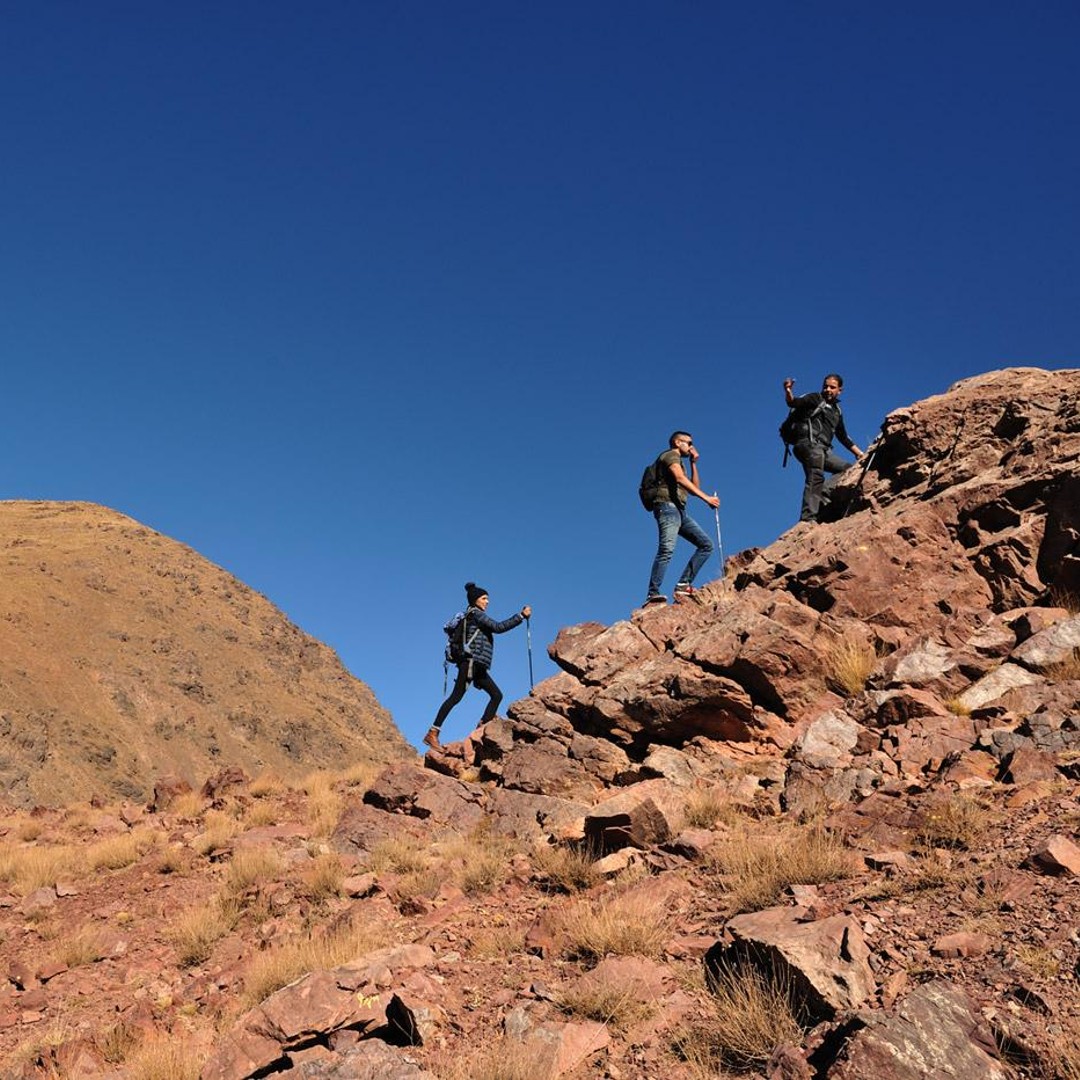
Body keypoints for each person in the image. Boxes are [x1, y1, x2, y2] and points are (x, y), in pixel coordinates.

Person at [425, 582, 531, 749]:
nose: (487, 602)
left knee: (496, 695)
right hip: (470, 663)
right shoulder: (476, 614)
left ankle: (480, 730)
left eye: (487, 599)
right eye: (484, 598)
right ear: (475, 600)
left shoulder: (473, 615)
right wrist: (521, 616)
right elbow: (498, 627)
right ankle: (433, 733)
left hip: (478, 666)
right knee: (455, 697)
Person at [644, 431, 720, 605]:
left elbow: (692, 487)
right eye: (689, 443)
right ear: (678, 442)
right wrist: (707, 498)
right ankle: (652, 593)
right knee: (667, 549)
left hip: (679, 511)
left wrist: (693, 463)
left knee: (706, 545)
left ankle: (683, 584)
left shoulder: (681, 463)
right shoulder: (670, 455)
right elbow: (679, 478)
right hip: (667, 507)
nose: (691, 446)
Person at [784, 374, 864, 523]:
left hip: (824, 449)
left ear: (840, 390)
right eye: (825, 386)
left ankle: (823, 494)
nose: (828, 389)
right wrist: (788, 391)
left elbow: (843, 437)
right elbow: (793, 403)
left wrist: (860, 454)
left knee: (847, 469)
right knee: (816, 476)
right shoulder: (815, 398)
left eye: (832, 387)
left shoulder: (837, 412)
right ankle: (808, 519)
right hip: (808, 444)